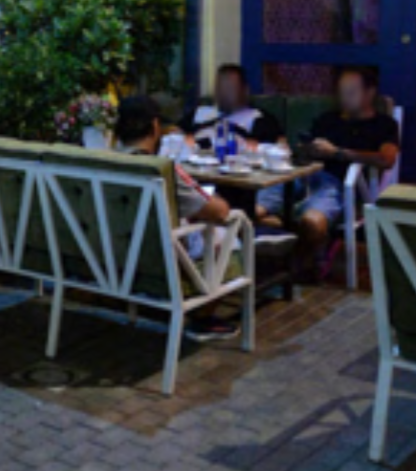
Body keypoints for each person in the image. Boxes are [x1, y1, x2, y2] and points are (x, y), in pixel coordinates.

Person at [115, 95, 242, 342]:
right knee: (228, 235)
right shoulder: (162, 170)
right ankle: (203, 317)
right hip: (162, 272)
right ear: (155, 127)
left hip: (114, 264)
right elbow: (220, 212)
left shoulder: (105, 163)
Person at [284, 65, 401, 260]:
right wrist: (307, 149)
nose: (344, 97)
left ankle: (305, 260)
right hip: (302, 175)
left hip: (339, 185)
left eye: (351, 92)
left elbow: (387, 159)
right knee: (254, 205)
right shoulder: (328, 119)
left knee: (312, 223)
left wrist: (338, 153)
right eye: (341, 92)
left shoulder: (383, 125)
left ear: (369, 92)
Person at [182, 64, 287, 153]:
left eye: (230, 87)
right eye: (221, 86)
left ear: (245, 90)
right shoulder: (201, 112)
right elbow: (175, 131)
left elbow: (281, 147)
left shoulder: (259, 118)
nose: (225, 92)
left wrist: (256, 147)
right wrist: (182, 138)